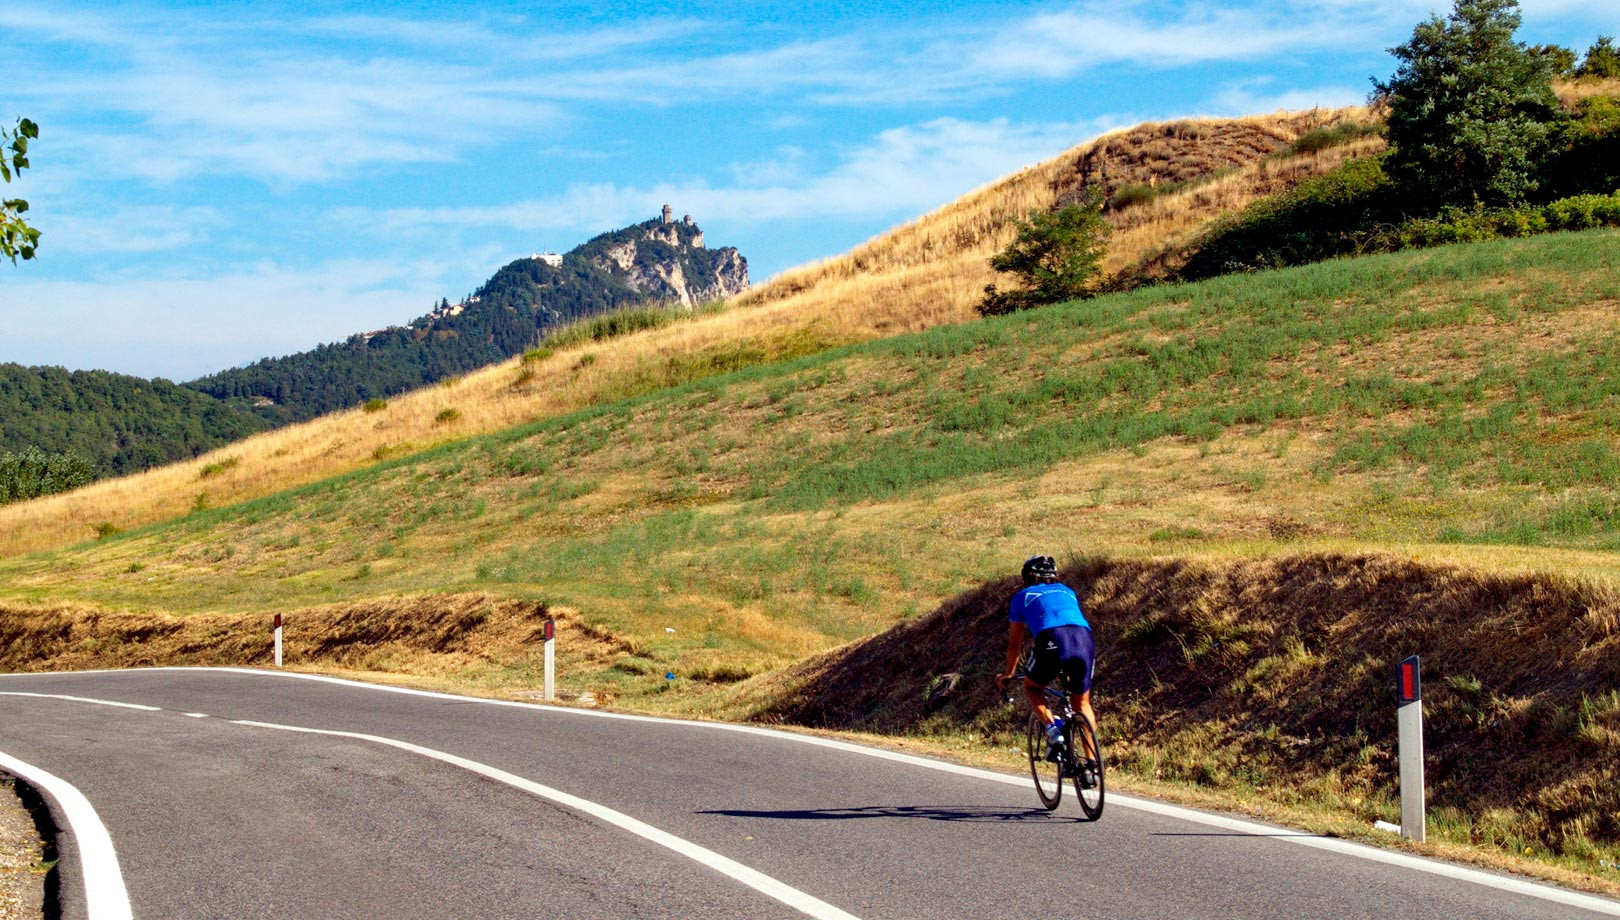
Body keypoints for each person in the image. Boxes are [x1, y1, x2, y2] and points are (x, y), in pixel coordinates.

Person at [994, 555, 1098, 771]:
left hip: (1051, 638)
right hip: (1083, 638)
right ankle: (1092, 765)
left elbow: (1015, 644)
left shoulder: (1022, 596)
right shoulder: (1068, 591)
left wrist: (1008, 674)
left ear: (1028, 577)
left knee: (1032, 686)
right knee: (1082, 703)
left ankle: (1053, 731)